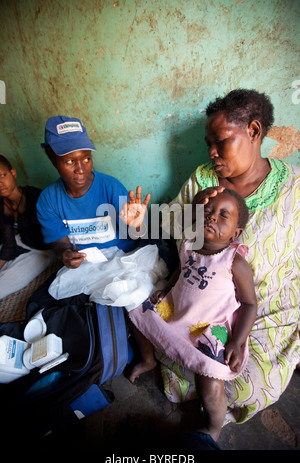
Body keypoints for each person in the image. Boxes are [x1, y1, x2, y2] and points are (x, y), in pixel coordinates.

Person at [155, 89, 300, 428]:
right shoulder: (202, 179)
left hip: (260, 304)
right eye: (208, 144)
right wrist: (195, 211)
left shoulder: (293, 188)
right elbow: (179, 240)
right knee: (180, 362)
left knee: (246, 382)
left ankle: (215, 414)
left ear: (253, 131)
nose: (212, 153)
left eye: (220, 142)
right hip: (202, 297)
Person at [129, 188, 257, 441]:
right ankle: (147, 359)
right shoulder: (189, 244)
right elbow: (181, 271)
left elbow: (250, 304)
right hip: (177, 310)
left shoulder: (234, 262)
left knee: (210, 383)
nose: (211, 218)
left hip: (205, 328)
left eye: (223, 216)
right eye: (207, 212)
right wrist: (165, 290)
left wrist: (237, 342)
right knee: (137, 311)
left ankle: (212, 427)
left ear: (236, 233)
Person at [36, 116, 150, 269]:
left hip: (122, 257)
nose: (81, 169)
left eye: (86, 159)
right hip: (85, 263)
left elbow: (138, 236)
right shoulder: (48, 200)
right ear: (52, 159)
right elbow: (60, 243)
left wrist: (136, 225)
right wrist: (65, 254)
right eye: (70, 161)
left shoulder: (111, 187)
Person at [0, 155, 54, 299]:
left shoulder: (35, 197)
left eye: (2, 175)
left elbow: (54, 234)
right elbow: (8, 244)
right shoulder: (2, 206)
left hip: (43, 250)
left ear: (13, 173)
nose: (0, 183)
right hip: (20, 240)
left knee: (5, 283)